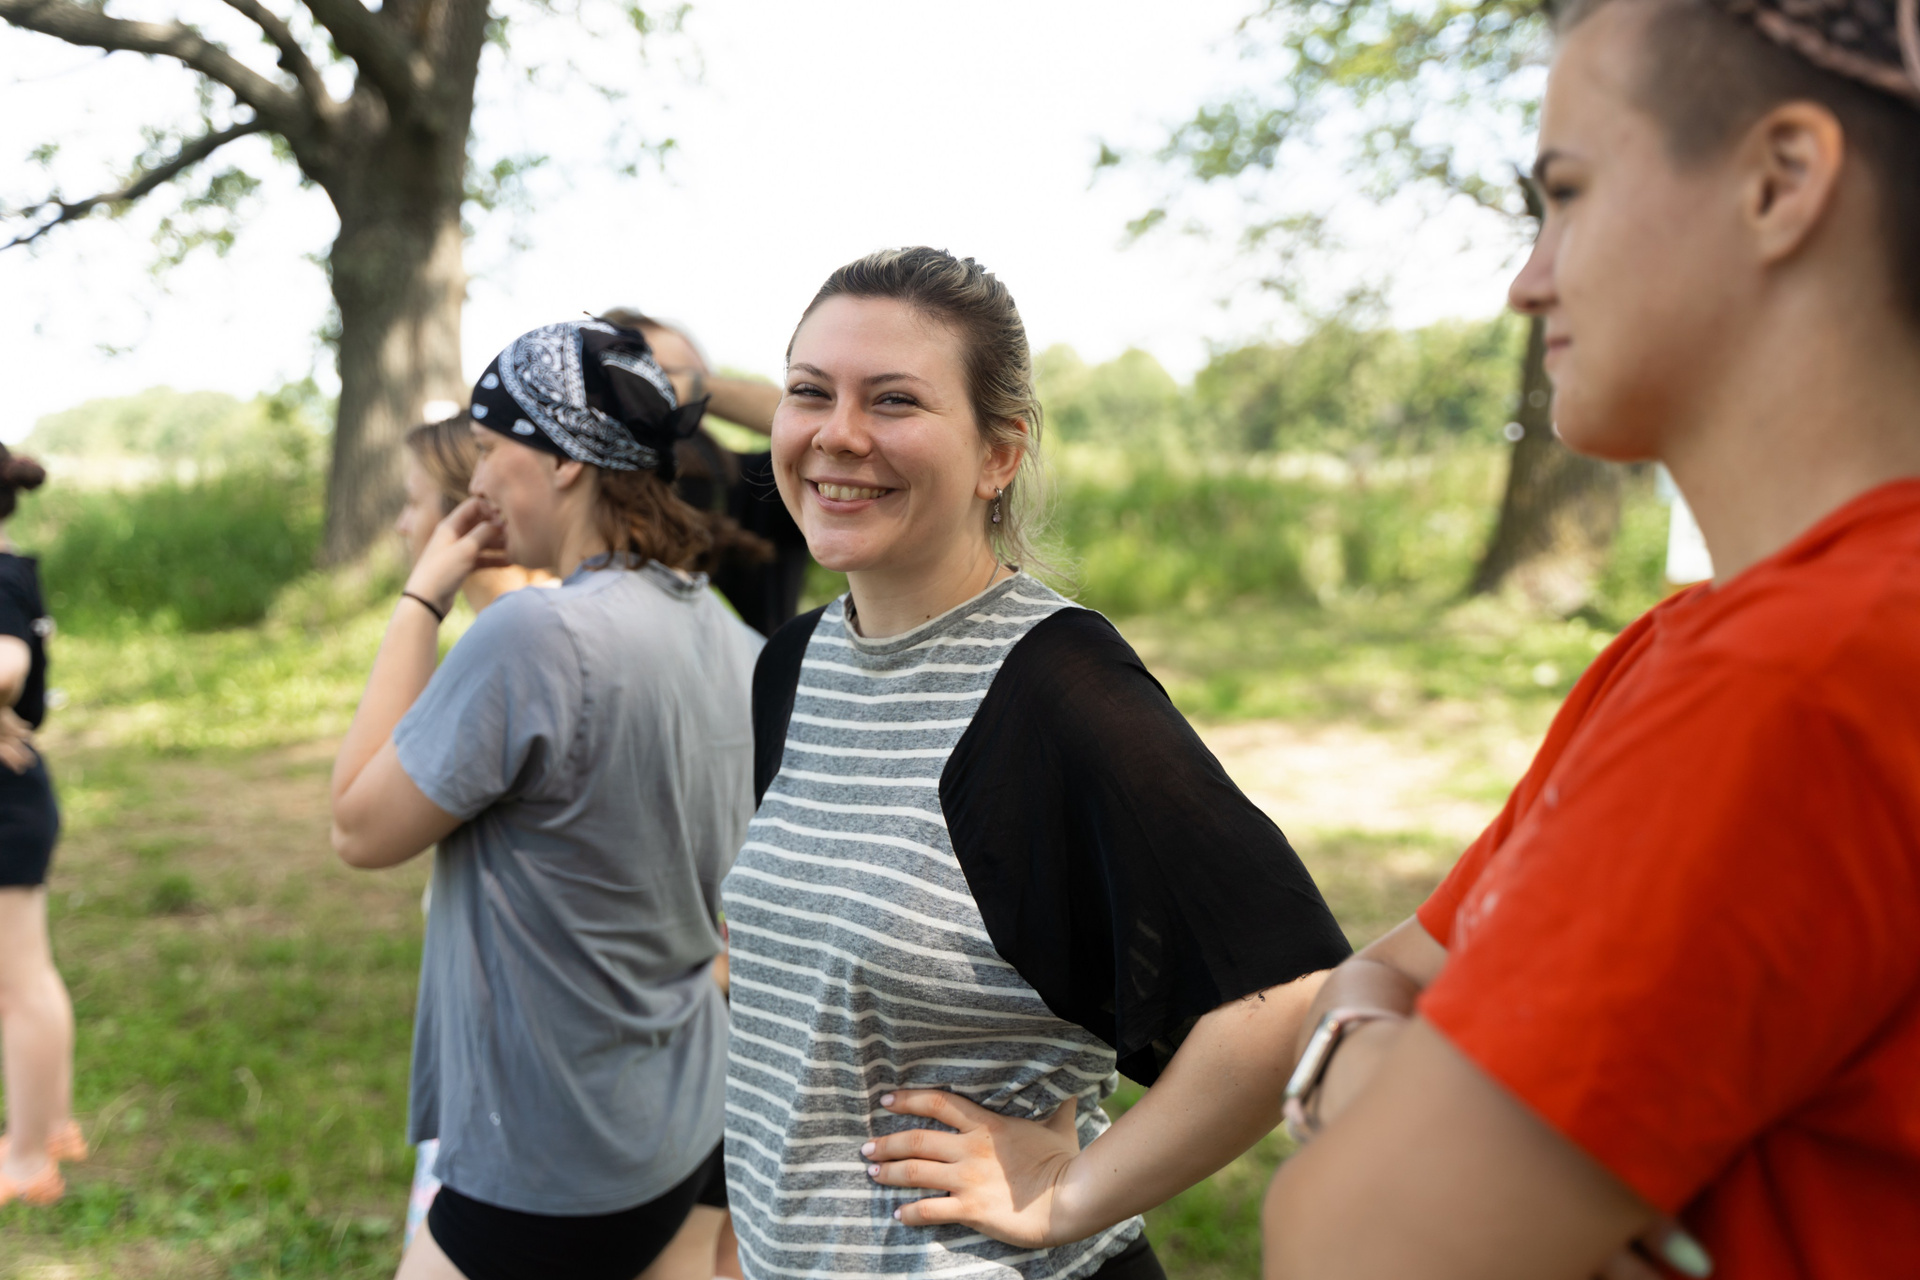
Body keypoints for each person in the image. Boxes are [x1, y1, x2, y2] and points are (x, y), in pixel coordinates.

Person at [1262, 3, 1920, 1277]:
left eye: (1565, 194)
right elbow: (1392, 966)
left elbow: (1348, 1247)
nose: (1527, 279)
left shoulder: (1801, 673)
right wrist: (1375, 1052)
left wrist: (1361, 1085)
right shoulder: (1676, 650)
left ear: (1780, 182)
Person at [722, 246, 1353, 1280]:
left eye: (894, 399)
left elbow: (1287, 990)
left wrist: (1072, 1192)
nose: (838, 433)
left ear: (999, 453)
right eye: (810, 391)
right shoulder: (794, 664)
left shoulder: (1057, 686)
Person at [329, 318, 762, 1280]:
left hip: (554, 1151)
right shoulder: (725, 629)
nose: (477, 482)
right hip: (692, 1112)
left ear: (566, 461)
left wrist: (421, 600)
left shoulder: (537, 634)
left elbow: (358, 828)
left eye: (490, 449)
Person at [391, 412, 556, 1251]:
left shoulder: (516, 644)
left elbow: (364, 821)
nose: (403, 525)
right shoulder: (533, 626)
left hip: (521, 1068)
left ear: (472, 511)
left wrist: (419, 601)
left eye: (414, 501)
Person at [601, 309, 813, 637]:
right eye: (648, 374)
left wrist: (695, 386)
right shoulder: (593, 483)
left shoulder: (749, 480)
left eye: (676, 375)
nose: (664, 389)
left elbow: (813, 421)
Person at [0, 444, 85, 1210]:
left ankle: (27, 1159)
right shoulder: (11, 567)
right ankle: (51, 1126)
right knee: (28, 978)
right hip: (17, 796)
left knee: (17, 987)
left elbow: (6, 667)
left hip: (7, 803)